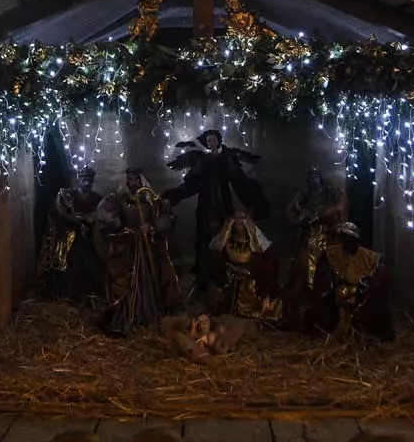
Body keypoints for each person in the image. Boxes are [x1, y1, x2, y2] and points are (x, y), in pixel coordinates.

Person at [163, 129, 269, 291]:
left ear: (218, 141)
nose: (211, 143)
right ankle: (205, 272)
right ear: (206, 143)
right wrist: (173, 196)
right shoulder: (202, 160)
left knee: (225, 233)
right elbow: (192, 184)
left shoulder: (226, 158)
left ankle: (223, 272)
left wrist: (252, 199)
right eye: (209, 141)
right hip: (206, 202)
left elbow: (238, 179)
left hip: (223, 203)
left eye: (214, 140)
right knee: (205, 235)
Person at [97, 167, 181, 336]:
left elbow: (165, 217)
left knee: (152, 276)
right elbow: (108, 216)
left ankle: (153, 311)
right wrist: (128, 229)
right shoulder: (120, 199)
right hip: (130, 248)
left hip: (148, 246)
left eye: (136, 179)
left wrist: (152, 227)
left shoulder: (150, 199)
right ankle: (129, 314)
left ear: (141, 180)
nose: (133, 182)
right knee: (127, 280)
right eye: (130, 179)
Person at [307, 222, 394, 339]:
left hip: (360, 294)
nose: (348, 242)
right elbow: (323, 273)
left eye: (351, 239)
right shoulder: (331, 254)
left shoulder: (370, 257)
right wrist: (330, 283)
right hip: (337, 293)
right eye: (345, 238)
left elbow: (380, 270)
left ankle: (361, 334)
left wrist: (369, 284)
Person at [35, 165, 105, 300]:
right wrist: (76, 220)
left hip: (89, 238)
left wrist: (91, 218)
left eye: (89, 179)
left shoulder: (96, 198)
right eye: (84, 178)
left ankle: (89, 294)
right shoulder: (68, 195)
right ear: (78, 178)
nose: (86, 182)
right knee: (72, 265)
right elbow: (60, 212)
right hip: (69, 239)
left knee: (93, 265)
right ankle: (68, 295)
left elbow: (101, 213)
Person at [285, 167, 346, 299]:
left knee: (327, 263)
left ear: (321, 178)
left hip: (325, 235)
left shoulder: (329, 193)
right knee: (303, 262)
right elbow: (292, 211)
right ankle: (306, 291)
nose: (314, 180)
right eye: (311, 178)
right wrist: (301, 218)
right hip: (308, 235)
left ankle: (326, 291)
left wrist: (326, 215)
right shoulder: (304, 196)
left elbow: (339, 208)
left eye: (316, 177)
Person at [209, 212, 281, 320]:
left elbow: (266, 254)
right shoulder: (229, 241)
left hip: (251, 274)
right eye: (236, 220)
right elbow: (215, 248)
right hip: (231, 272)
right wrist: (226, 230)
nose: (239, 223)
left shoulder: (254, 242)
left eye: (242, 221)